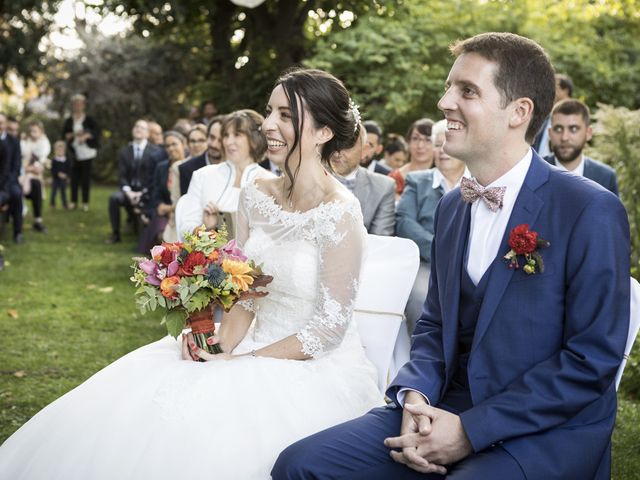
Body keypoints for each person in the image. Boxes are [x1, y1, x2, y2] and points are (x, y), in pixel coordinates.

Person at [273, 32, 629, 480]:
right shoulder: (452, 207)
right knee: (300, 466)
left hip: (543, 430)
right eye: (448, 87)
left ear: (519, 112)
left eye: (467, 91)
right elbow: (434, 325)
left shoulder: (588, 209)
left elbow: (590, 360)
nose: (444, 102)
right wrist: (416, 398)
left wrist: (470, 431)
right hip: (443, 407)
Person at [0, 67, 382, 480]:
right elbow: (248, 292)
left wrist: (244, 363)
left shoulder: (340, 211)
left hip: (308, 362)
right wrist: (218, 345)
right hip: (247, 342)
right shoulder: (257, 194)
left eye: (286, 115)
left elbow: (327, 330)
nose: (268, 124)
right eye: (269, 111)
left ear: (324, 131)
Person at [396, 119, 468, 333]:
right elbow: (404, 222)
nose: (443, 150)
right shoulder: (418, 181)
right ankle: (422, 357)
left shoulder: (478, 184)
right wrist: (439, 248)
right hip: (426, 263)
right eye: (437, 144)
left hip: (466, 263)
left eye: (447, 143)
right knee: (420, 297)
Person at [176, 110, 273, 239]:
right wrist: (205, 229)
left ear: (255, 140)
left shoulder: (270, 182)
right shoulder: (202, 176)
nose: (228, 142)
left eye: (237, 135)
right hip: (208, 258)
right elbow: (185, 229)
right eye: (226, 135)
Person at [330, 121, 395, 236]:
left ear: (364, 150)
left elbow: (380, 239)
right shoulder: (307, 178)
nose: (338, 153)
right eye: (334, 144)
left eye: (347, 145)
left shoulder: (383, 187)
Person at [544, 98, 618, 195]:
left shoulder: (605, 177)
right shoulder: (534, 172)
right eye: (558, 129)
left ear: (588, 133)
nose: (564, 137)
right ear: (550, 133)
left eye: (573, 129)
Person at [106, 119, 160, 244]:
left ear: (147, 134)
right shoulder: (125, 151)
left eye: (142, 127)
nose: (138, 129)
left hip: (147, 191)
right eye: (136, 126)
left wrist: (143, 192)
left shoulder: (155, 151)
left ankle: (146, 234)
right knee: (114, 198)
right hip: (129, 191)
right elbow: (121, 175)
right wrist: (128, 191)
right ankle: (115, 234)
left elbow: (154, 177)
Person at [137, 130, 188, 252]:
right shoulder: (161, 167)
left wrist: (172, 209)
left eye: (174, 144)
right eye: (167, 146)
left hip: (183, 212)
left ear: (183, 144)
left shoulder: (189, 166)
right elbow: (156, 192)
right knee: (160, 234)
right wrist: (160, 205)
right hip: (164, 211)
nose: (170, 148)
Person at [62, 93, 100, 211]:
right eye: (75, 104)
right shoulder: (69, 120)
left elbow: (96, 132)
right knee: (74, 178)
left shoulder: (89, 119)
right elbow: (64, 133)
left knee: (85, 178)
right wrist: (72, 135)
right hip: (74, 151)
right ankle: (73, 201)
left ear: (84, 105)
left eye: (80, 103)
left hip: (87, 152)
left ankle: (85, 202)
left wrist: (87, 135)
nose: (78, 106)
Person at [178, 115, 225, 195]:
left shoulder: (237, 167)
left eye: (220, 140)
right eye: (212, 137)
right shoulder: (187, 169)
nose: (214, 145)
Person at [388, 118, 435, 198]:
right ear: (408, 142)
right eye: (415, 139)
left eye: (427, 140)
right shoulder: (393, 179)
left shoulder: (444, 177)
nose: (420, 145)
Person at [20, 120, 50, 233]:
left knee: (37, 186)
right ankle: (18, 217)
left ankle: (38, 220)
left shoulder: (44, 144)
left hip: (34, 176)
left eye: (35, 131)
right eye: (31, 131)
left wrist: (37, 168)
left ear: (41, 132)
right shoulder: (24, 143)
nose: (32, 133)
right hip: (22, 173)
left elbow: (42, 161)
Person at [532, 73, 573, 158]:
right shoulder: (548, 113)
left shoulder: (574, 113)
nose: (551, 90)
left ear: (565, 90)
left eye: (555, 87)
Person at [0, 113, 24, 243]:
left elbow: (16, 166)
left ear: (5, 125)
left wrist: (6, 182)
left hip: (10, 180)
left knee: (16, 194)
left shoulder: (14, 141)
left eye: (1, 123)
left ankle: (18, 231)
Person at [49, 140, 70, 209]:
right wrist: (57, 174)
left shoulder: (66, 160)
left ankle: (65, 204)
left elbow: (68, 169)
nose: (60, 151)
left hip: (63, 179)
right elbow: (52, 169)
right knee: (53, 192)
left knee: (63, 192)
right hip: (56, 179)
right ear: (55, 150)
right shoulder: (54, 160)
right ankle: (52, 204)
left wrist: (66, 175)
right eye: (58, 150)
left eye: (61, 150)